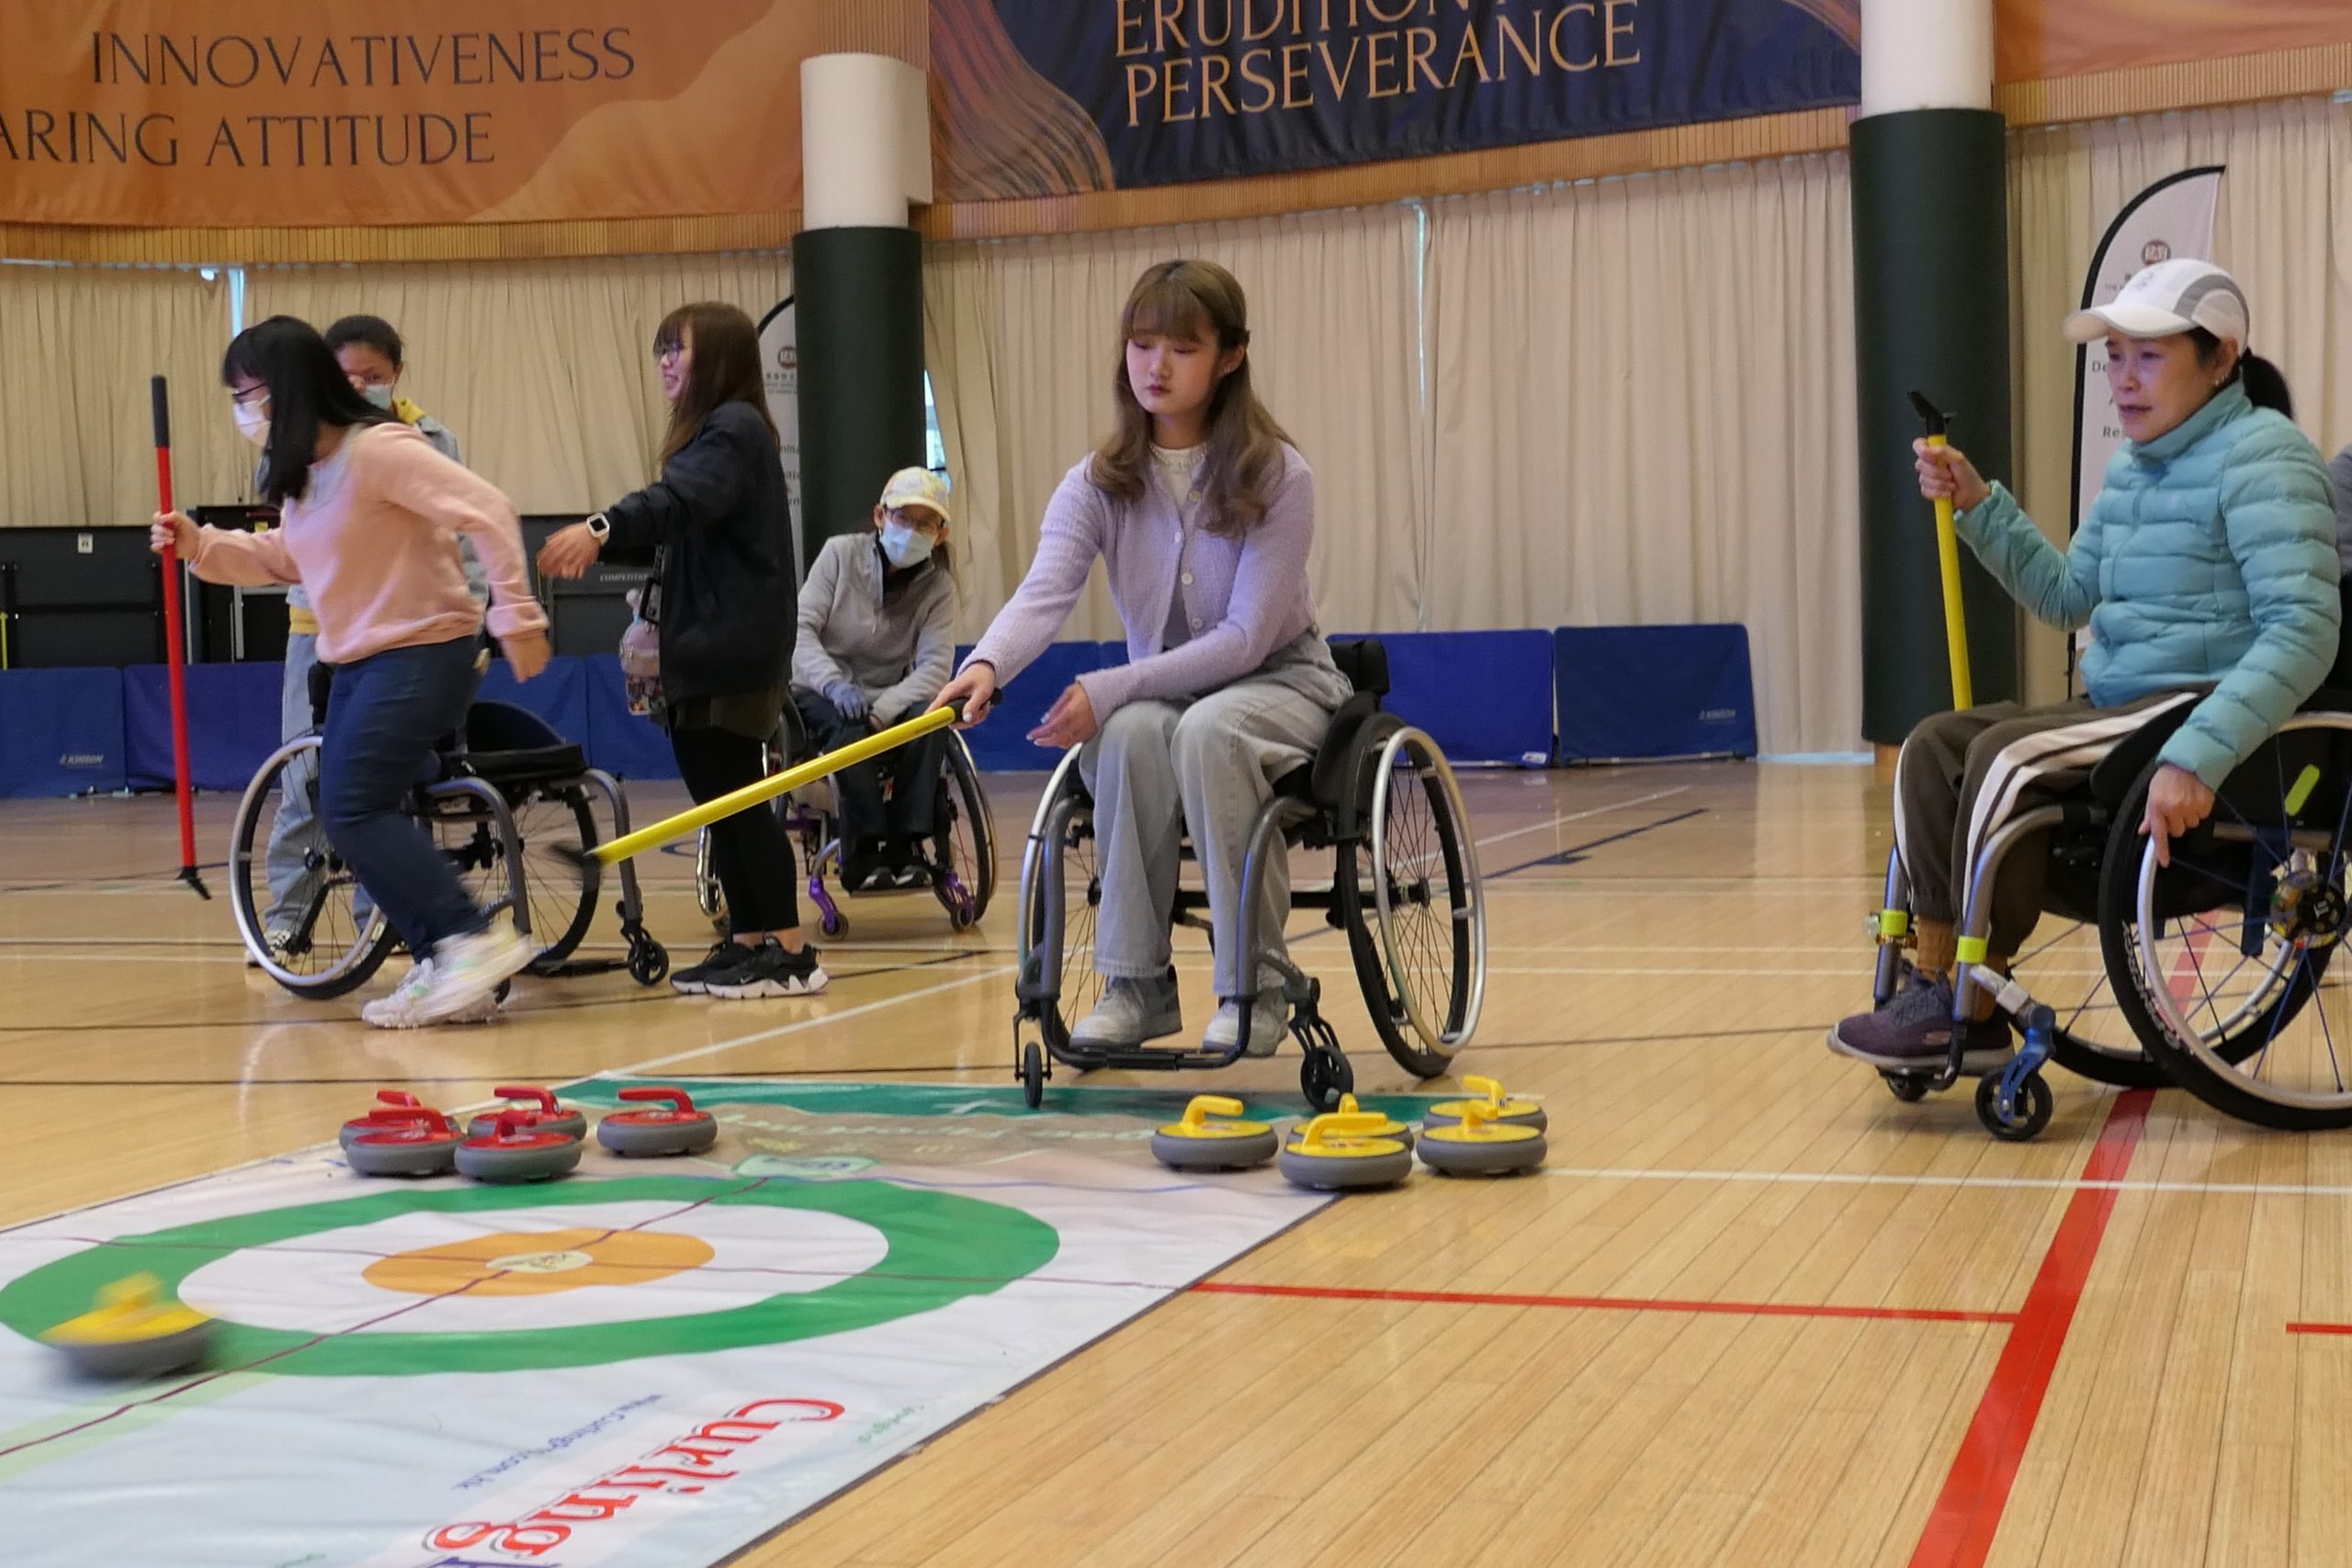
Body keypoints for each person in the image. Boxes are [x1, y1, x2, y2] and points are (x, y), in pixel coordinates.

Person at [1830, 258, 2340, 1073]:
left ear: (2220, 358)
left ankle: (1973, 992)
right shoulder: (2133, 466)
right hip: (2120, 704)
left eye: (2148, 356)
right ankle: (1936, 980)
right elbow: (2068, 595)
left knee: (2007, 758)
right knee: (1931, 745)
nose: (2123, 381)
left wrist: (2196, 753)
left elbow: (2307, 630)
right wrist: (1978, 504)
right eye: (2114, 358)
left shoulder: (2265, 455)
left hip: (2200, 707)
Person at [935, 259, 1351, 1056]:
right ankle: (1137, 985)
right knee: (1126, 736)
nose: (1155, 367)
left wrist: (1111, 684)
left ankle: (1256, 986)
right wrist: (987, 663)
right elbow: (1042, 593)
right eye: (1141, 344)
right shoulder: (1095, 483)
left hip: (1280, 681)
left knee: (1210, 733)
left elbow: (1243, 640)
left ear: (1230, 357)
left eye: (1182, 348)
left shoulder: (1278, 475)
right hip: (1169, 692)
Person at [153, 315, 549, 1027]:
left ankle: (467, 937)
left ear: (295, 388)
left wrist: (516, 616)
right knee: (352, 809)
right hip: (362, 664)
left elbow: (489, 510)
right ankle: (446, 963)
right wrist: (200, 543)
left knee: (353, 803)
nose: (247, 413)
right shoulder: (313, 476)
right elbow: (284, 557)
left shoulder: (381, 451)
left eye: (254, 395)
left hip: (424, 651)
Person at [537, 302, 823, 1001]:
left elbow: (675, 502)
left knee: (735, 798)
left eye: (679, 349)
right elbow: (675, 520)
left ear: (718, 358)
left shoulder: (733, 431)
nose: (666, 362)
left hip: (730, 652)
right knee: (719, 800)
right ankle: (749, 940)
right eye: (660, 349)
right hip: (713, 649)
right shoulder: (720, 435)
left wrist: (600, 527)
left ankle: (788, 948)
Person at [254, 314, 481, 966]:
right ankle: (288, 917)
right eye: (347, 375)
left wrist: (493, 616)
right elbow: (290, 542)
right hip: (322, 627)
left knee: (373, 788)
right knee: (308, 779)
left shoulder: (425, 439)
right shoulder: (304, 439)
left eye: (373, 376)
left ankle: (378, 924)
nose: (360, 385)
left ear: (396, 375)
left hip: (407, 633)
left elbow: (466, 533)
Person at [794, 467, 958, 891]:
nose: (913, 530)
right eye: (904, 517)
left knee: (933, 717)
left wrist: (884, 711)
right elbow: (800, 630)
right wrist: (833, 684)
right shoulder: (839, 555)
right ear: (880, 517)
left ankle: (907, 844)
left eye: (926, 522)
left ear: (940, 534)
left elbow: (936, 669)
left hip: (887, 694)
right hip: (821, 687)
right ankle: (864, 850)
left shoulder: (939, 588)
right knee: (847, 728)